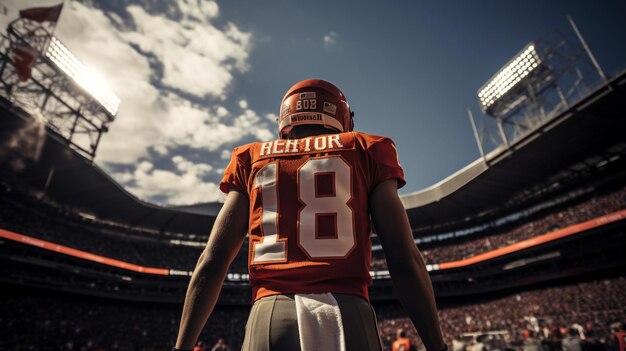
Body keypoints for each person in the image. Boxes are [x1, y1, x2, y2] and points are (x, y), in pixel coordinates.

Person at [172, 79, 446, 351]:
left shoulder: (251, 157)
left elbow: (212, 262)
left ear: (285, 119)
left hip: (271, 314)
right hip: (348, 314)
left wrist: (181, 347)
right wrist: (437, 347)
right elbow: (404, 258)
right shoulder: (368, 149)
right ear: (341, 115)